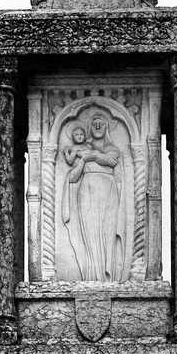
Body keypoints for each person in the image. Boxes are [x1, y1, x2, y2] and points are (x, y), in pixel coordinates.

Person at [62, 113, 126, 281]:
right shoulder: (82, 149)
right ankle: (91, 277)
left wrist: (92, 156)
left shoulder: (113, 149)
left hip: (109, 192)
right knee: (90, 237)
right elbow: (73, 176)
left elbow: (112, 160)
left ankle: (108, 277)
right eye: (94, 123)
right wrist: (84, 160)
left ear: (107, 128)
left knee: (107, 234)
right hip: (87, 191)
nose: (98, 127)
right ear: (90, 128)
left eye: (101, 124)